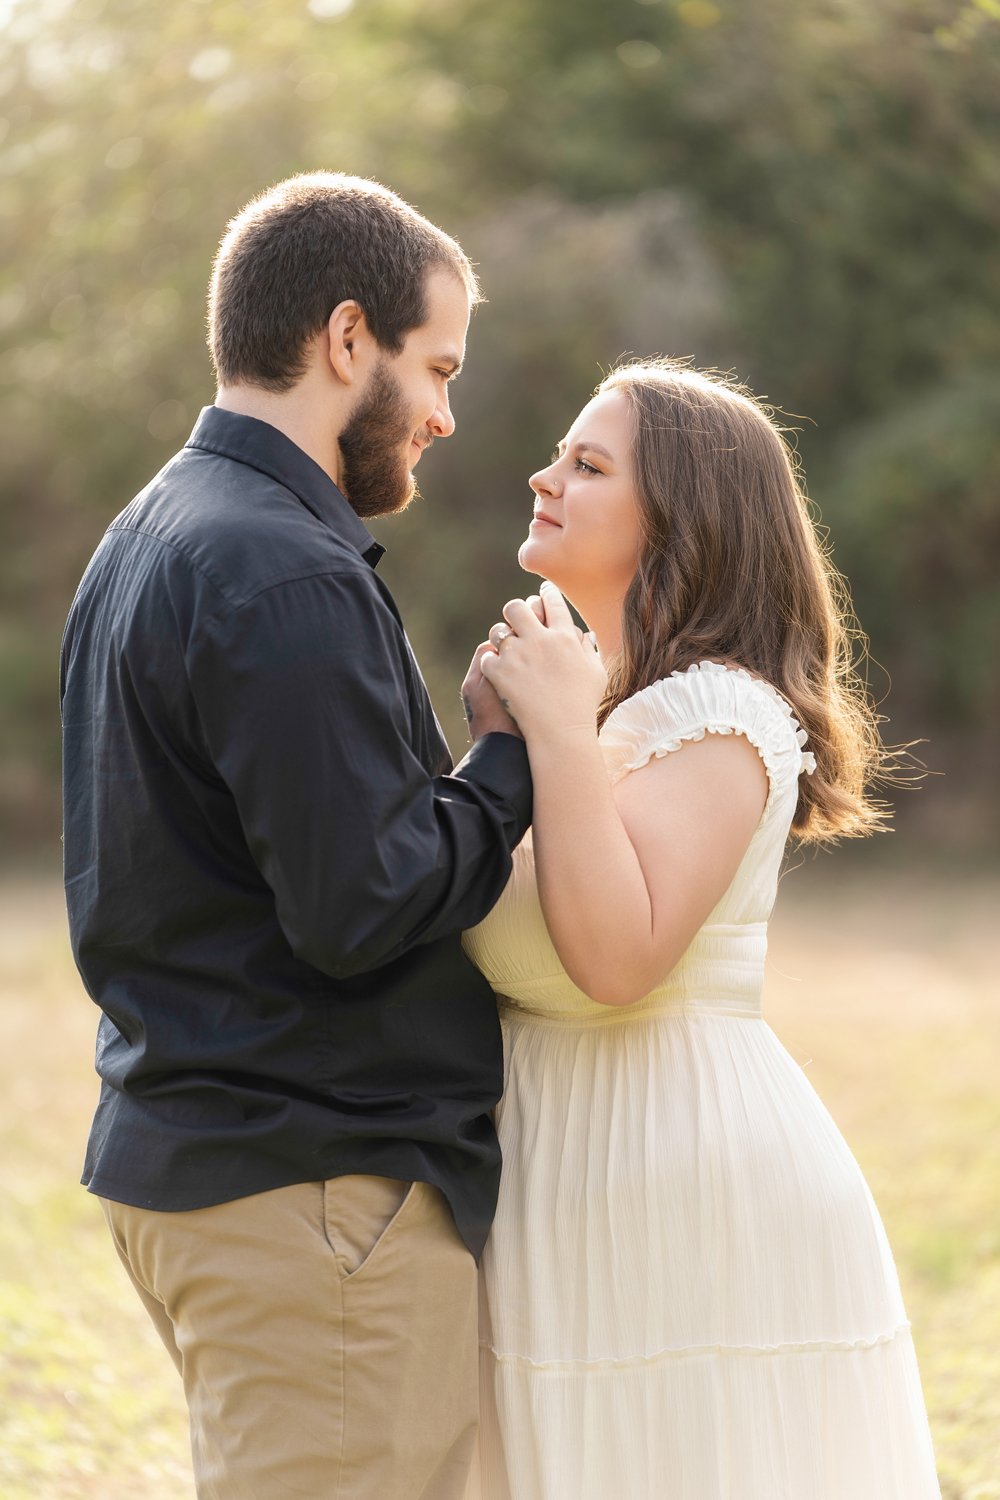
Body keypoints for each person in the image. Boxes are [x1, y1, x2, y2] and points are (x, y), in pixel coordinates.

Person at [60, 172, 532, 1500]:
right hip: (311, 1199)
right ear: (343, 340)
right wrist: (506, 761)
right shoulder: (285, 570)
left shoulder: (152, 533)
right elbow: (359, 907)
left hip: (202, 1162)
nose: (444, 413)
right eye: (435, 367)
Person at [459, 359, 941, 1499]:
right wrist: (507, 741)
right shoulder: (608, 707)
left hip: (675, 1182)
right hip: (561, 1177)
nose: (544, 476)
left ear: (682, 517)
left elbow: (619, 958)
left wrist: (556, 731)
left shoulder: (722, 712)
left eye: (587, 464)